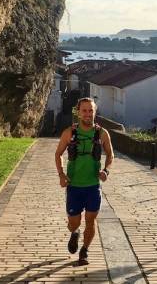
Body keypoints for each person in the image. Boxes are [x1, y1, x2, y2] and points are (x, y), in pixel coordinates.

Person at [54, 97, 114, 265]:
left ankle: (84, 251)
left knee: (90, 220)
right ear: (78, 113)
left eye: (91, 111)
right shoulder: (69, 133)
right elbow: (58, 154)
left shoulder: (102, 133)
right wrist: (61, 174)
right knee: (74, 223)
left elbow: (110, 154)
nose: (88, 114)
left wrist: (106, 170)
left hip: (93, 186)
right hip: (74, 186)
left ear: (95, 112)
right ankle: (74, 232)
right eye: (84, 110)